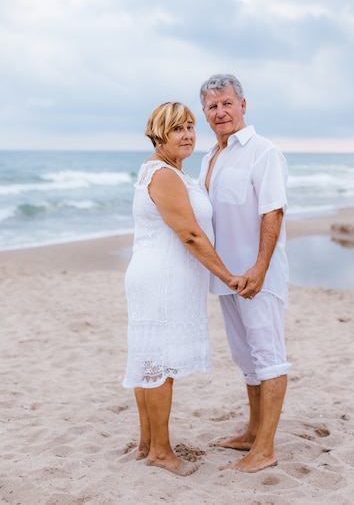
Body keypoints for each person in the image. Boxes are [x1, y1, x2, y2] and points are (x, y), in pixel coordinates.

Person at [123, 101, 246, 477]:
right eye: (178, 128)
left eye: (191, 127)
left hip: (155, 272)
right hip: (163, 277)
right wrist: (226, 276)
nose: (188, 135)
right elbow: (190, 234)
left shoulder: (166, 170)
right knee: (160, 362)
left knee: (151, 358)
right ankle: (160, 452)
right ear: (158, 133)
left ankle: (147, 443)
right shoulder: (164, 174)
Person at [199, 74, 291, 473]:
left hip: (259, 276)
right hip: (226, 278)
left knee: (269, 358)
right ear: (205, 113)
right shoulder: (209, 158)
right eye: (212, 106)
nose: (220, 112)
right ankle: (252, 433)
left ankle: (265, 449)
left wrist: (259, 268)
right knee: (246, 359)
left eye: (226, 103)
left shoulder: (263, 151)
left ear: (243, 105)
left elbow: (273, 211)